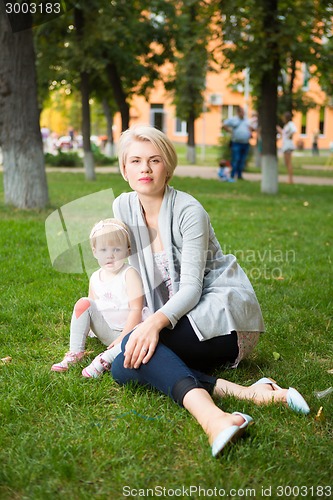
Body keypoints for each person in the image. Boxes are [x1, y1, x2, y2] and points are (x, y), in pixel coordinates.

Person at [108, 124, 310, 458]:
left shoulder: (189, 211)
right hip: (177, 316)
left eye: (155, 160)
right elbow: (136, 275)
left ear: (168, 167)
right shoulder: (123, 208)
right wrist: (134, 325)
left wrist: (151, 325)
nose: (145, 168)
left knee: (133, 354)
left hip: (221, 315)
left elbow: (190, 289)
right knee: (124, 364)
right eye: (136, 161)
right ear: (123, 169)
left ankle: (214, 419)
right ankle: (250, 394)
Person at [51, 218, 148, 378]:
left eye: (116, 250)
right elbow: (93, 305)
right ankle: (75, 352)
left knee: (141, 330)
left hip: (129, 331)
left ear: (128, 251)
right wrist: (87, 329)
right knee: (84, 303)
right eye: (103, 250)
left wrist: (123, 337)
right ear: (95, 252)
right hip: (107, 331)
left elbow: (136, 309)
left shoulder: (129, 274)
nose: (110, 255)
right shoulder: (96, 277)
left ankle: (103, 361)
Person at [222, 106, 253, 181]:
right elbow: (224, 125)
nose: (243, 113)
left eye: (243, 112)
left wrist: (250, 133)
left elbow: (250, 128)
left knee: (242, 160)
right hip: (236, 143)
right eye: (241, 112)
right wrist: (230, 131)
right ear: (238, 113)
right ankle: (232, 175)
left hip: (245, 143)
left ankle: (239, 175)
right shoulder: (233, 120)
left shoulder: (246, 120)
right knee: (236, 159)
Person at [277, 111, 297, 184]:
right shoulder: (286, 126)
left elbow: (294, 130)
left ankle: (290, 179)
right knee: (286, 162)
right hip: (285, 145)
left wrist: (289, 136)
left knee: (288, 162)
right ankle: (289, 178)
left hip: (288, 145)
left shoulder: (290, 124)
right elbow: (283, 134)